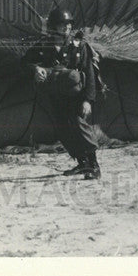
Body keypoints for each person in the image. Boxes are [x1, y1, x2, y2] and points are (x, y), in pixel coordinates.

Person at [26, 10, 106, 180]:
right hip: (56, 95)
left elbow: (89, 74)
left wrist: (88, 100)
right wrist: (35, 69)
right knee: (62, 128)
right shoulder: (44, 45)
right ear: (54, 27)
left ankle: (94, 165)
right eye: (63, 25)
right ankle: (82, 162)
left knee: (80, 126)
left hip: (76, 96)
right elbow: (24, 62)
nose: (67, 28)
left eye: (70, 24)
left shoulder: (79, 46)